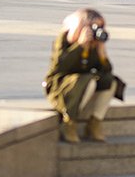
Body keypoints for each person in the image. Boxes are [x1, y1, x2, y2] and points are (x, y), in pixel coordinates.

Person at [44, 8, 123, 143]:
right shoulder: (64, 39)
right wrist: (80, 46)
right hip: (60, 83)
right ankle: (68, 122)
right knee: (89, 82)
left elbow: (106, 71)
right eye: (93, 27)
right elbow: (60, 67)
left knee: (110, 81)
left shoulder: (95, 44)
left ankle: (94, 123)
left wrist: (101, 53)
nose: (97, 30)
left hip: (82, 81)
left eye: (100, 27)